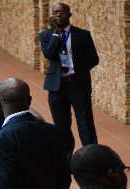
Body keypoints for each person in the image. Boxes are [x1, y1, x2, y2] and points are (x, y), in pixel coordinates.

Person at [40, 2, 100, 160]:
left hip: (77, 85)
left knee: (85, 123)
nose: (58, 15)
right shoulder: (46, 35)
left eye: (62, 12)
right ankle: (66, 160)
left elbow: (93, 59)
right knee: (61, 126)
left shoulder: (83, 35)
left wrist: (77, 71)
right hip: (56, 87)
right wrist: (55, 33)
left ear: (69, 15)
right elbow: (50, 54)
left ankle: (92, 158)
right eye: (55, 12)